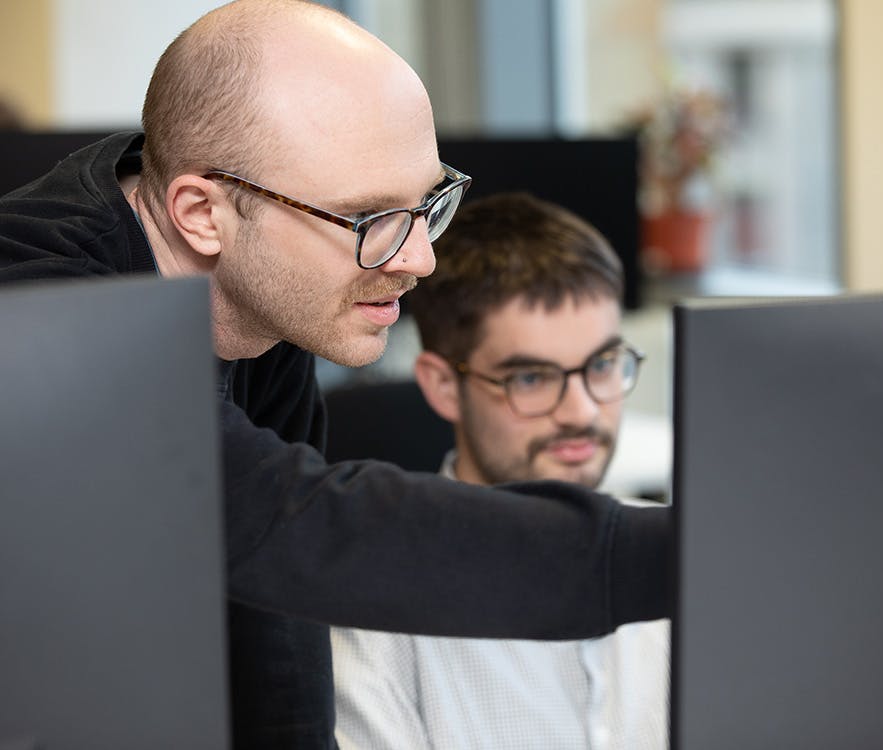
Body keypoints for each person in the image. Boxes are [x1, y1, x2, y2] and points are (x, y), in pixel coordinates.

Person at [0, 2, 671, 748]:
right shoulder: (36, 318)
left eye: (427, 204)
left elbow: (276, 624)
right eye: (370, 220)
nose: (420, 259)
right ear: (202, 213)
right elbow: (303, 530)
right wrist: (696, 553)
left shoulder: (259, 284)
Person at [331, 192, 670, 750]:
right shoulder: (372, 617)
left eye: (604, 365)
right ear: (444, 386)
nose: (583, 412)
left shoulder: (683, 564)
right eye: (531, 378)